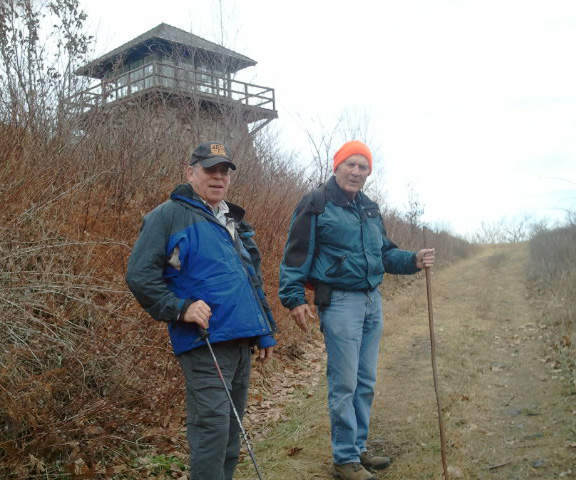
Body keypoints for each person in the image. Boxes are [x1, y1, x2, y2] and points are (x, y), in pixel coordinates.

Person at [278, 140, 435, 480]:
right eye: (350, 164)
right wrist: (293, 298)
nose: (356, 171)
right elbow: (296, 254)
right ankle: (344, 458)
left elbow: (384, 253)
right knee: (344, 382)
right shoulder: (316, 203)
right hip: (339, 303)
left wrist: (413, 260)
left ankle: (358, 448)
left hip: (370, 300)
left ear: (368, 173)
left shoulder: (369, 208)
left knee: (365, 381)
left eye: (363, 166)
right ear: (337, 167)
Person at [125, 141, 276, 480]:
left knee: (231, 433)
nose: (218, 177)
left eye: (224, 171)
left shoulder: (233, 221)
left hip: (241, 342)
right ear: (190, 173)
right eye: (210, 170)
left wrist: (265, 329)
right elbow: (139, 275)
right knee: (212, 431)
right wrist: (180, 308)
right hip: (204, 342)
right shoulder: (168, 215)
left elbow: (251, 280)